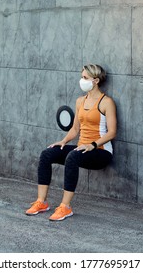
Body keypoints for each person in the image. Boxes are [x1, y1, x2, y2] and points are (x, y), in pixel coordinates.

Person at [26, 64, 117, 221]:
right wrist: (63, 141)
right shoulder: (80, 101)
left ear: (95, 80)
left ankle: (65, 207)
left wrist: (93, 145)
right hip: (81, 149)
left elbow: (112, 132)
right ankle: (41, 202)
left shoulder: (106, 102)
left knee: (72, 157)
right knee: (47, 153)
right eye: (81, 77)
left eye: (85, 78)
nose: (81, 80)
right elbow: (75, 129)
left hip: (101, 151)